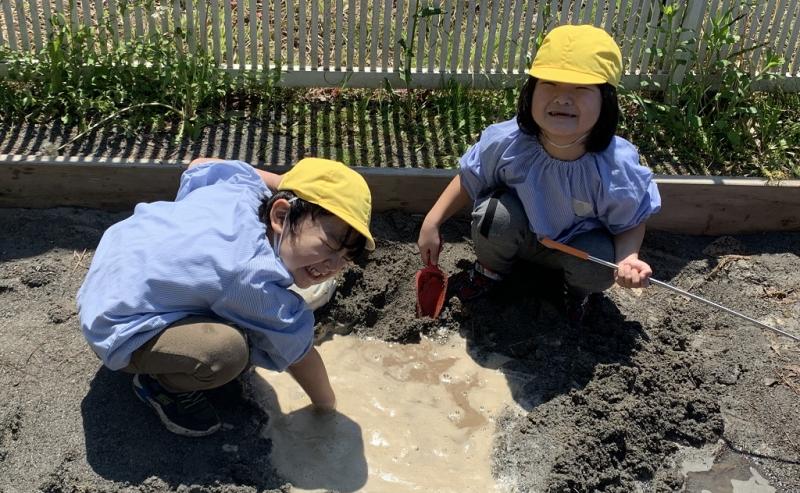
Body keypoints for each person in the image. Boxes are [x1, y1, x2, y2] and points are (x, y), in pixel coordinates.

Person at [77, 157, 375, 437]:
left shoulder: (244, 188)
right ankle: (161, 385)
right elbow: (300, 356)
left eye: (345, 259)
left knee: (224, 298)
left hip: (116, 265)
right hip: (117, 325)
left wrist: (286, 180)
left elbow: (199, 164)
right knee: (228, 352)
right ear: (281, 215)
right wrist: (328, 407)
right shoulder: (249, 278)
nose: (332, 267)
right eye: (328, 245)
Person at [417, 24, 661, 324]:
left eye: (581, 88)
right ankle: (489, 271)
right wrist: (432, 221)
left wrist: (628, 258)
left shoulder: (614, 166)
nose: (563, 98)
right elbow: (470, 177)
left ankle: (578, 294)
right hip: (518, 238)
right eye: (550, 84)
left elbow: (631, 221)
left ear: (605, 100)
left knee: (600, 260)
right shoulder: (508, 142)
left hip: (576, 250)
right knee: (495, 214)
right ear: (530, 92)